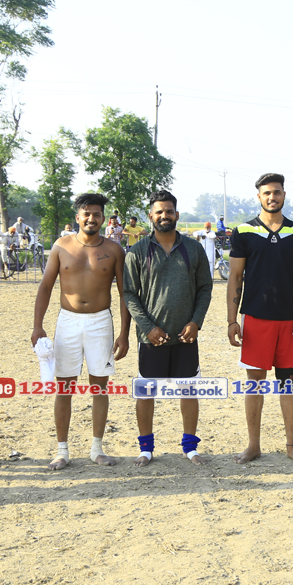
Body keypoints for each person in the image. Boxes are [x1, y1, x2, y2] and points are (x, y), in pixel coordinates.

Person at [32, 193, 130, 470]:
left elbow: (124, 294)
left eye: (96, 214)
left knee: (100, 386)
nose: (91, 219)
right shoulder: (61, 246)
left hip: (101, 321)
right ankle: (62, 450)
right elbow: (45, 287)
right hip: (68, 321)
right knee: (64, 386)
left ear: (104, 218)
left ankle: (97, 448)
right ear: (78, 217)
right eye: (86, 214)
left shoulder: (114, 250)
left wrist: (124, 333)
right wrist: (37, 325)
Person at [227, 173, 293, 464]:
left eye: (276, 192)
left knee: (288, 381)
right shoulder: (243, 231)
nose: (272, 197)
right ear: (259, 197)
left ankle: (291, 446)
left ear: (284, 195)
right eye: (267, 193)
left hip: (290, 320)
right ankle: (253, 446)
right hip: (256, 318)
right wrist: (232, 320)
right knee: (255, 383)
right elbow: (235, 277)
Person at [124, 190, 214, 466]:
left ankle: (190, 447)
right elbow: (129, 294)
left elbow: (205, 288)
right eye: (159, 212)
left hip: (185, 337)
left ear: (177, 214)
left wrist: (195, 322)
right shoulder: (137, 251)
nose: (165, 216)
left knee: (189, 390)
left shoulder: (194, 249)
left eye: (169, 211)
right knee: (146, 393)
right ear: (150, 216)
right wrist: (147, 327)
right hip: (152, 338)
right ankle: (146, 448)